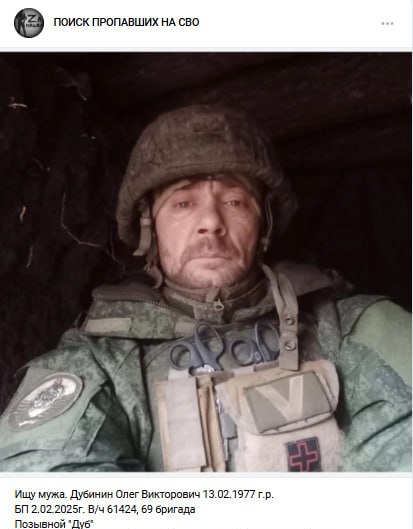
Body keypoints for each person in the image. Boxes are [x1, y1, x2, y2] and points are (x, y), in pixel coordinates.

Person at [0, 105, 410, 472]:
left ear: (263, 225)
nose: (211, 222)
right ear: (149, 229)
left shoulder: (352, 328)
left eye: (234, 202)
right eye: (183, 204)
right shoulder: (98, 361)